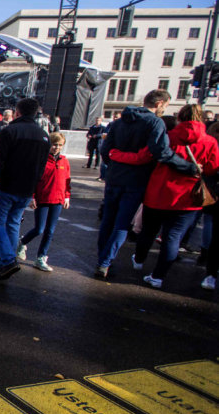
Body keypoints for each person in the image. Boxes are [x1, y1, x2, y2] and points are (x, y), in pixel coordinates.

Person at [111, 104, 219, 289]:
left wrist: (115, 154)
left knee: (148, 230)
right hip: (188, 199)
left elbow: (144, 157)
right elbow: (212, 169)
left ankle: (139, 259)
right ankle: (158, 276)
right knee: (173, 238)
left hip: (159, 193)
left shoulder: (167, 137)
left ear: (179, 118)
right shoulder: (210, 142)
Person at [95, 89, 198, 279]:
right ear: (159, 104)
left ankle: (102, 259)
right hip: (136, 180)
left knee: (108, 221)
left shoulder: (119, 122)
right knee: (121, 224)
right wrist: (189, 168)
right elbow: (162, 152)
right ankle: (104, 262)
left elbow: (106, 150)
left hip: (115, 177)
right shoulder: (154, 122)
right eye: (165, 106)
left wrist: (115, 164)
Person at [0, 98, 51, 281]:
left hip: (7, 186)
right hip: (26, 188)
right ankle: (6, 259)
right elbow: (42, 167)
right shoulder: (44, 135)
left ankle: (7, 259)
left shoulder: (10, 131)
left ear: (17, 112)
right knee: (13, 223)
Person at [16, 132, 72, 272]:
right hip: (43, 199)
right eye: (54, 145)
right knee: (39, 229)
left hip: (57, 200)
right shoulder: (41, 160)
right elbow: (33, 180)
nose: (57, 147)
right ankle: (23, 242)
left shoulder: (64, 161)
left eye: (60, 145)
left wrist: (67, 196)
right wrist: (32, 196)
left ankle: (41, 257)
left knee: (50, 231)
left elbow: (67, 181)